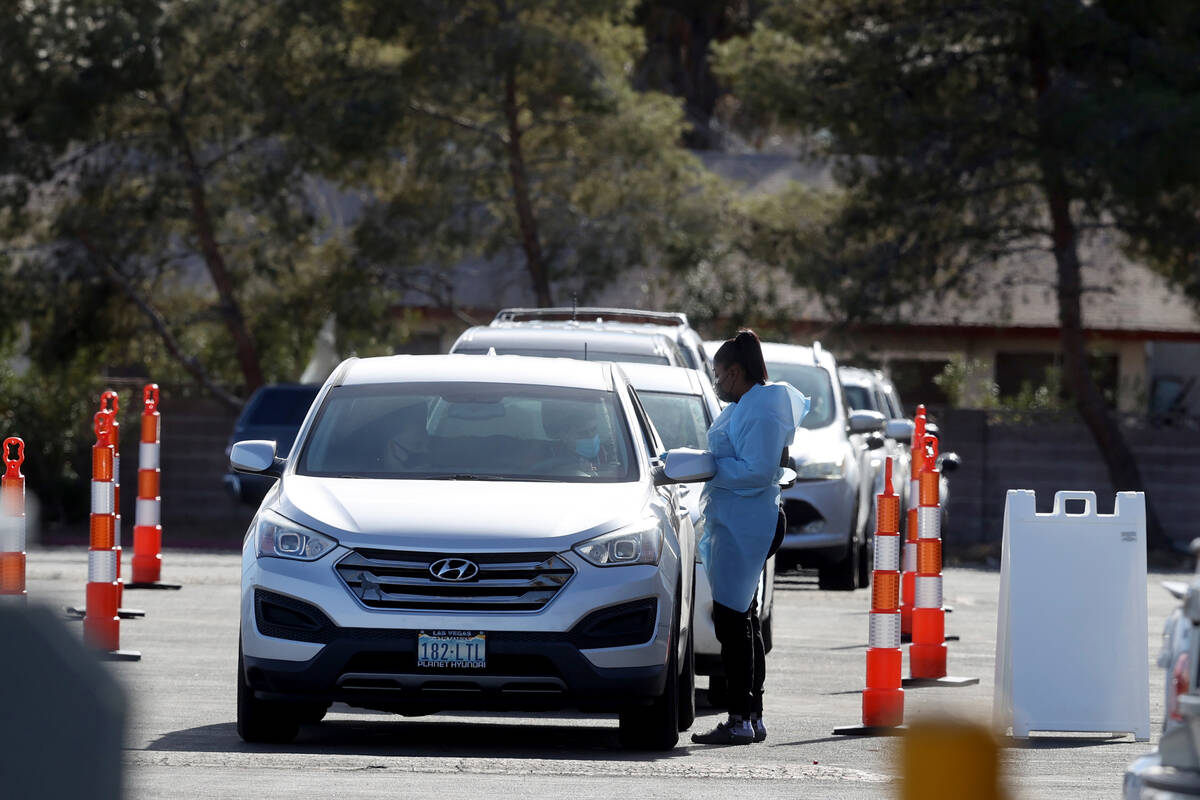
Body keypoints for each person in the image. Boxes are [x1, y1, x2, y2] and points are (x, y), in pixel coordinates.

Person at [692, 329, 809, 746]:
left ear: (736, 372)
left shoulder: (760, 407)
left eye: (719, 375)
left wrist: (710, 469)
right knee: (742, 617)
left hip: (748, 523)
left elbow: (758, 469)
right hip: (743, 522)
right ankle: (750, 715)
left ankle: (741, 716)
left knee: (732, 621)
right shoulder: (753, 403)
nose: (716, 383)